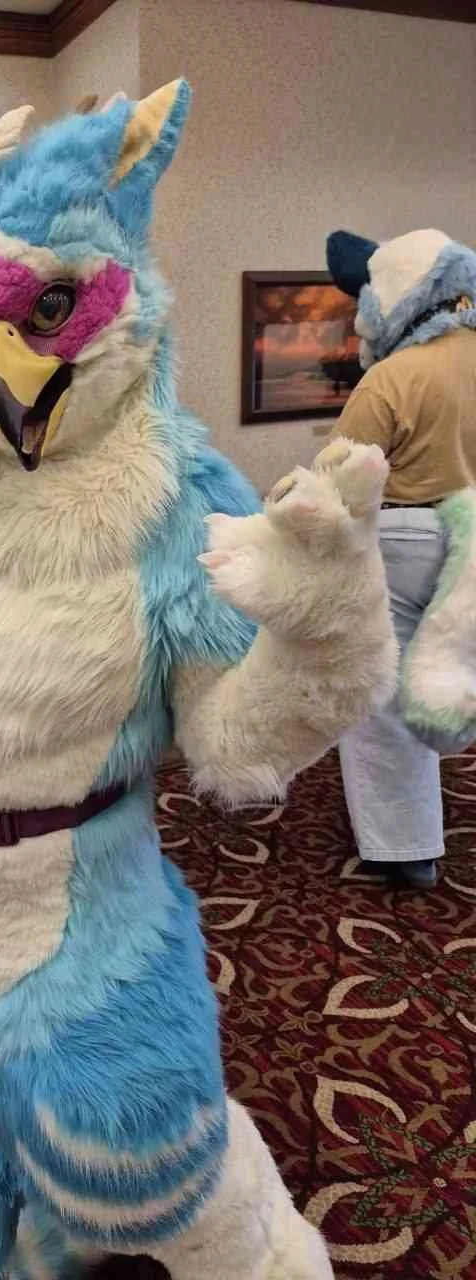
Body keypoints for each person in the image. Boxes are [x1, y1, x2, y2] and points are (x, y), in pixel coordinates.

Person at [327, 227, 476, 889]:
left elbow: (338, 482)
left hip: (406, 542)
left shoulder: (392, 378)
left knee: (383, 699)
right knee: (454, 680)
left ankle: (405, 850)